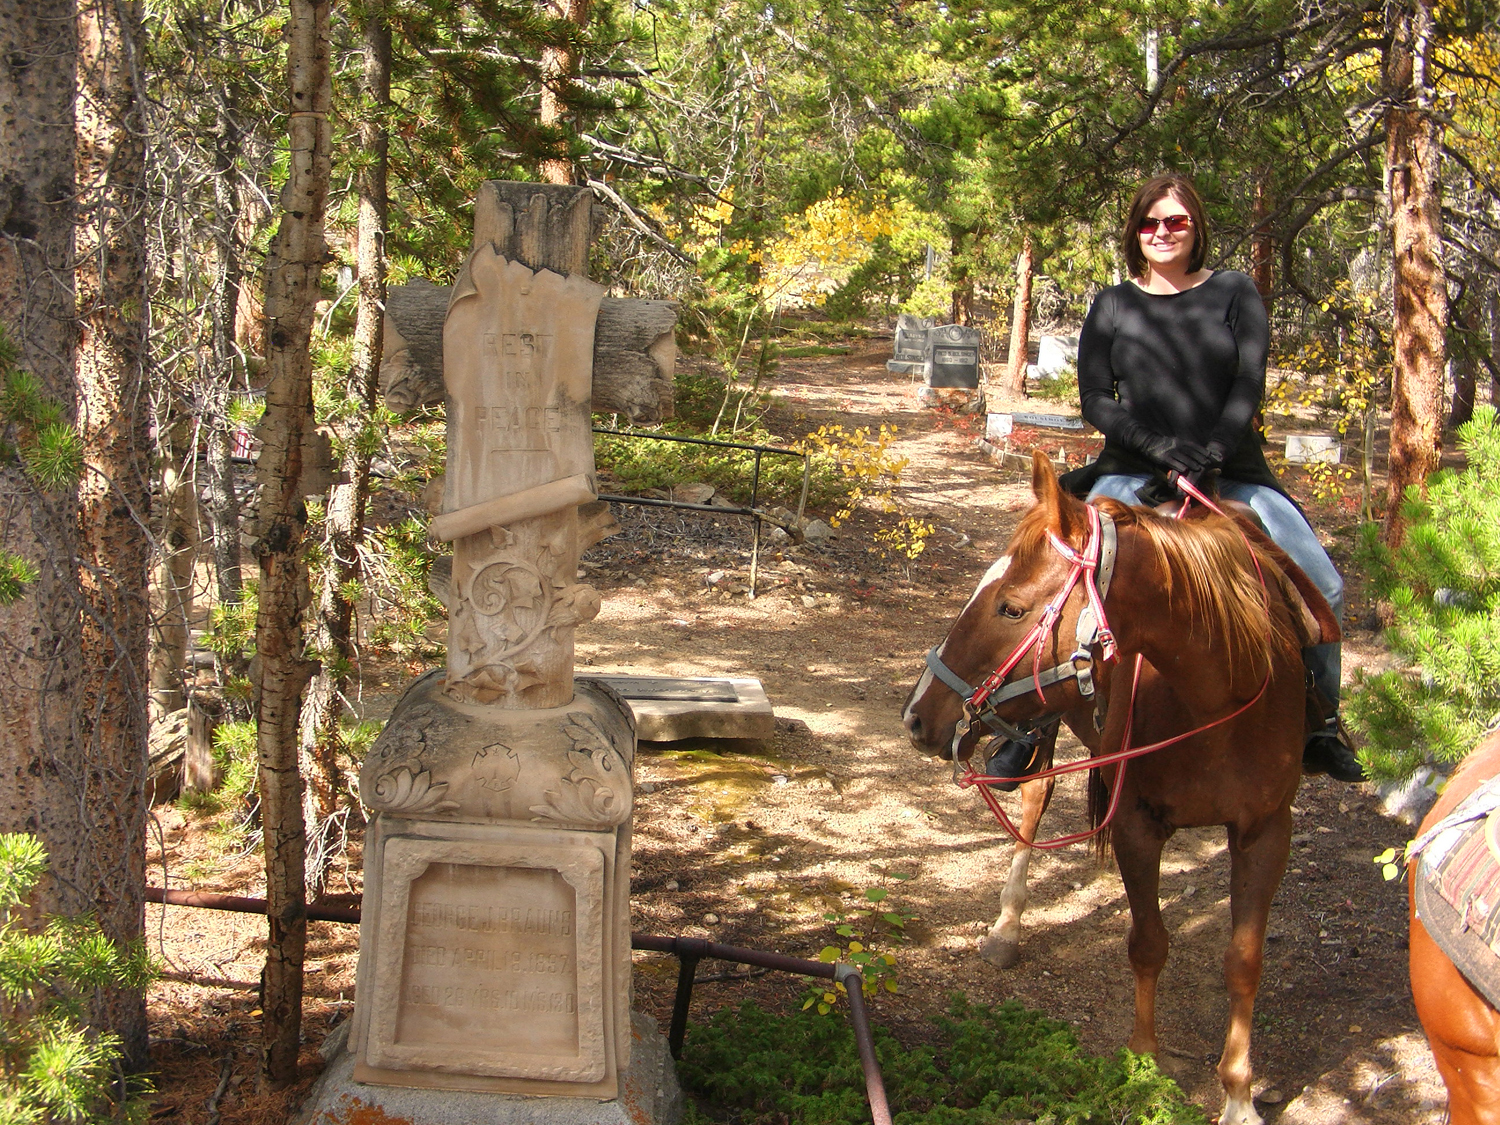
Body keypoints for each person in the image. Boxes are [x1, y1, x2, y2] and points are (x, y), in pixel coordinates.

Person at [985, 172, 1363, 784]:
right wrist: (1158, 448)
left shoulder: (1235, 293)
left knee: (1324, 585)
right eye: (1150, 222)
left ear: (1196, 229)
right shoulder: (1112, 305)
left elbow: (1247, 383)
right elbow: (1095, 398)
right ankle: (1031, 731)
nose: (1162, 232)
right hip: (1131, 473)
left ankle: (1319, 720)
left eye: (1176, 221)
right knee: (1056, 582)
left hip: (1231, 473)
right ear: (1135, 231)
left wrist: (1210, 451)